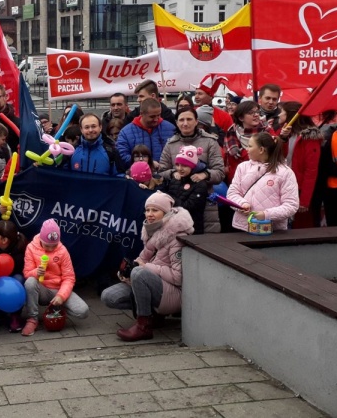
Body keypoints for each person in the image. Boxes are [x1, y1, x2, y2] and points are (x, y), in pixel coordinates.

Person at [100, 192, 193, 341]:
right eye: (147, 210)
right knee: (109, 296)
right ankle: (155, 316)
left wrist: (146, 268)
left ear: (166, 212)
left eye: (155, 210)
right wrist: (127, 272)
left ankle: (144, 326)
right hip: (154, 282)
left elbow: (178, 277)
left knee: (139, 273)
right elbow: (142, 259)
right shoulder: (153, 231)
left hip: (174, 292)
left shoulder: (177, 237)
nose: (149, 214)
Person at [21, 219, 89, 336]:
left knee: (83, 311)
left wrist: (61, 296)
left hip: (59, 289)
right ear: (41, 240)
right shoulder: (31, 248)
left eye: (54, 245)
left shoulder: (62, 251)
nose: (51, 249)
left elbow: (69, 277)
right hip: (41, 288)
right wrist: (36, 272)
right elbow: (27, 273)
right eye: (47, 246)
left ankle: (57, 309)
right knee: (30, 282)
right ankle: (32, 319)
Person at [227, 132, 299, 232]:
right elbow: (232, 193)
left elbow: (291, 205)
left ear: (261, 150)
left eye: (250, 146)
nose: (246, 149)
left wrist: (266, 215)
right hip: (243, 227)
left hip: (272, 230)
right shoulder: (242, 167)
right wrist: (242, 204)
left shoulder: (285, 172)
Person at [279, 101, 323, 229]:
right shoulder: (286, 133)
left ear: (291, 115)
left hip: (299, 189)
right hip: (284, 186)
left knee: (302, 227)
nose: (279, 115)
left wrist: (304, 200)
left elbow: (311, 170)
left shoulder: (309, 138)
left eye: (282, 112)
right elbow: (280, 156)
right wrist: (282, 138)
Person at [159, 107, 225, 186]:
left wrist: (205, 175)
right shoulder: (170, 144)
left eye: (189, 119)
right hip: (176, 192)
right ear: (176, 123)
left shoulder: (210, 141)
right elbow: (161, 172)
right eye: (181, 120)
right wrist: (173, 173)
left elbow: (220, 173)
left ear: (196, 121)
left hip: (203, 193)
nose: (185, 123)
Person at [0, 219, 28, 332]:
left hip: (13, 283)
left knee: (18, 279)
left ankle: (15, 315)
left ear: (4, 240)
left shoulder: (19, 255)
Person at [161, 146, 210, 234]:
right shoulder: (175, 179)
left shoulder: (200, 184)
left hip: (191, 230)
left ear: (193, 166)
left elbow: (189, 207)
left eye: (184, 165)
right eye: (177, 165)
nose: (180, 168)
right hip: (172, 228)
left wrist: (169, 199)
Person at [116, 98, 177, 165]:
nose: (156, 119)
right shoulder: (125, 133)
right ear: (141, 114)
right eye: (152, 117)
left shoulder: (170, 128)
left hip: (165, 173)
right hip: (137, 173)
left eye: (158, 115)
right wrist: (146, 163)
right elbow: (122, 155)